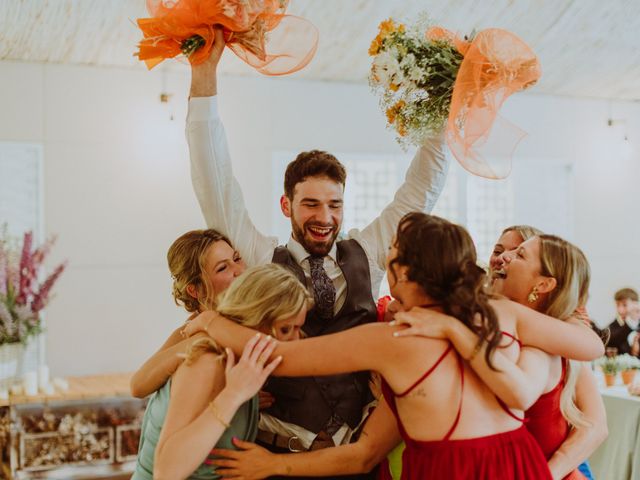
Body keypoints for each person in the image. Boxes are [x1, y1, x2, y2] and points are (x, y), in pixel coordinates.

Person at [186, 27, 450, 469]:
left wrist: (445, 106)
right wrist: (203, 75)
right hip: (270, 458)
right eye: (310, 204)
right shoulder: (257, 257)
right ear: (287, 204)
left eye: (334, 205)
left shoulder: (368, 251)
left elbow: (421, 189)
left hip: (359, 455)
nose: (324, 217)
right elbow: (214, 178)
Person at [186, 213, 605, 479]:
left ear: (402, 272)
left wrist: (210, 319)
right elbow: (589, 345)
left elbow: (280, 356)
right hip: (518, 466)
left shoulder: (394, 339)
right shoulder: (502, 314)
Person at [395, 231, 607, 480]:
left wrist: (545, 475)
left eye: (519, 253)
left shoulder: (545, 343)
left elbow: (590, 420)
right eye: (498, 251)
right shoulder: (488, 320)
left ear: (542, 283)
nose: (502, 258)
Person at [132, 229, 312, 480]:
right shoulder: (203, 352)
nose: (239, 271)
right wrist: (233, 393)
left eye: (237, 259)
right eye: (222, 268)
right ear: (195, 289)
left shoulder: (237, 352)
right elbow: (138, 386)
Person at [607, 287, 640, 356]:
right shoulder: (612, 327)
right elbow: (609, 343)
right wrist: (630, 323)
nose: (620, 310)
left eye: (624, 305)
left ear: (636, 304)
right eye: (617, 305)